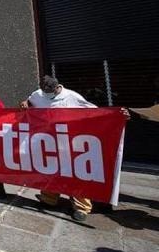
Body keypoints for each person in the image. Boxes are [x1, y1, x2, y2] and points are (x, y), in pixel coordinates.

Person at [19, 75, 129, 221]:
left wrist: (116, 116)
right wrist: (25, 104)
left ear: (57, 87)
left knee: (75, 174)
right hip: (49, 142)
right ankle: (49, 199)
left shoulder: (72, 97)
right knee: (50, 171)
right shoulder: (38, 94)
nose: (48, 94)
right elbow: (29, 102)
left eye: (50, 90)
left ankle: (81, 207)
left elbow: (95, 112)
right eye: (45, 90)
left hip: (70, 143)